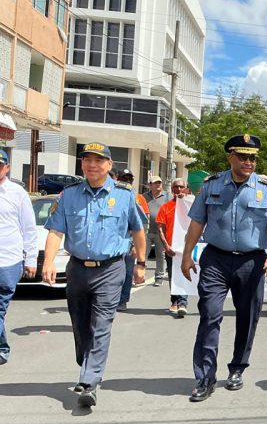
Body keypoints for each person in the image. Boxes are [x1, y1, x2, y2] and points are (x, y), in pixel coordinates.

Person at [181, 134, 267, 402]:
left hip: (251, 262)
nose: (248, 162)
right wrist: (187, 254)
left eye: (252, 158)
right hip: (215, 260)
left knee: (248, 317)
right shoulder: (211, 185)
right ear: (230, 157)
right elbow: (197, 222)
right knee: (209, 314)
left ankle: (237, 368)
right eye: (242, 157)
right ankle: (205, 377)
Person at [42, 142, 146, 408]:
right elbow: (55, 231)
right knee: (80, 325)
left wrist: (141, 263)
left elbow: (138, 230)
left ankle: (89, 382)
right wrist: (49, 262)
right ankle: (87, 362)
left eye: (99, 160)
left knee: (101, 324)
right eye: (87, 160)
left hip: (110, 269)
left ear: (109, 165)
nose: (92, 165)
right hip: (77, 269)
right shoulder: (69, 195)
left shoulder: (125, 195)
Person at [0, 150, 37, 365]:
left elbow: (29, 229)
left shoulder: (17, 193)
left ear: (7, 168)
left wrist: (31, 260)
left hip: (8, 261)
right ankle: (2, 348)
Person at [116, 169, 149, 312]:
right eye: (124, 179)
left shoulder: (136, 197)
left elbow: (143, 224)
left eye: (129, 179)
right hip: (113, 242)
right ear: (117, 179)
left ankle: (122, 300)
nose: (127, 182)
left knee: (127, 272)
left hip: (129, 242)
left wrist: (137, 245)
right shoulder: (112, 194)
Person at [156, 178, 190, 317]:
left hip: (187, 248)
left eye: (181, 187)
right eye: (176, 187)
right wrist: (166, 246)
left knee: (184, 274)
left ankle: (182, 303)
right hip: (171, 248)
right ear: (172, 189)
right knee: (172, 275)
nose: (179, 189)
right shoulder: (166, 207)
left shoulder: (192, 206)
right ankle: (175, 300)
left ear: (186, 189)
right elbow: (160, 228)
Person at [143, 176, 171, 286]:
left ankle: (159, 277)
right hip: (146, 231)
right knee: (143, 254)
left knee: (161, 255)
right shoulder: (144, 197)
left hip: (161, 231)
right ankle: (141, 274)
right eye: (155, 183)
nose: (158, 184)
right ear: (150, 185)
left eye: (159, 182)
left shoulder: (167, 196)